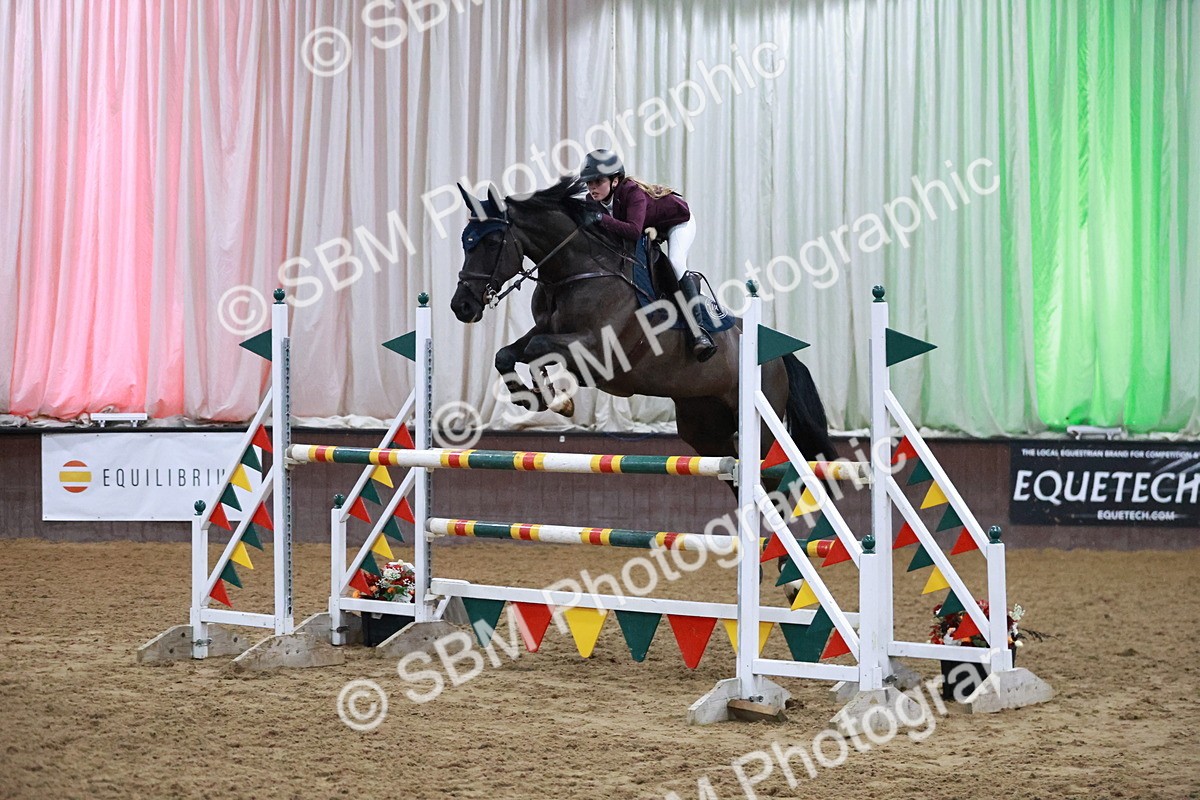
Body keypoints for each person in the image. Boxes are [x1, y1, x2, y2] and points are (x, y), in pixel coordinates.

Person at [577, 150, 717, 362]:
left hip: (678, 222)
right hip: (652, 227)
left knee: (676, 262)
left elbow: (633, 231)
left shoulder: (632, 192)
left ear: (615, 181)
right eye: (589, 183)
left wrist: (600, 219)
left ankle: (699, 332)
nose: (592, 188)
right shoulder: (593, 201)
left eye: (598, 181)